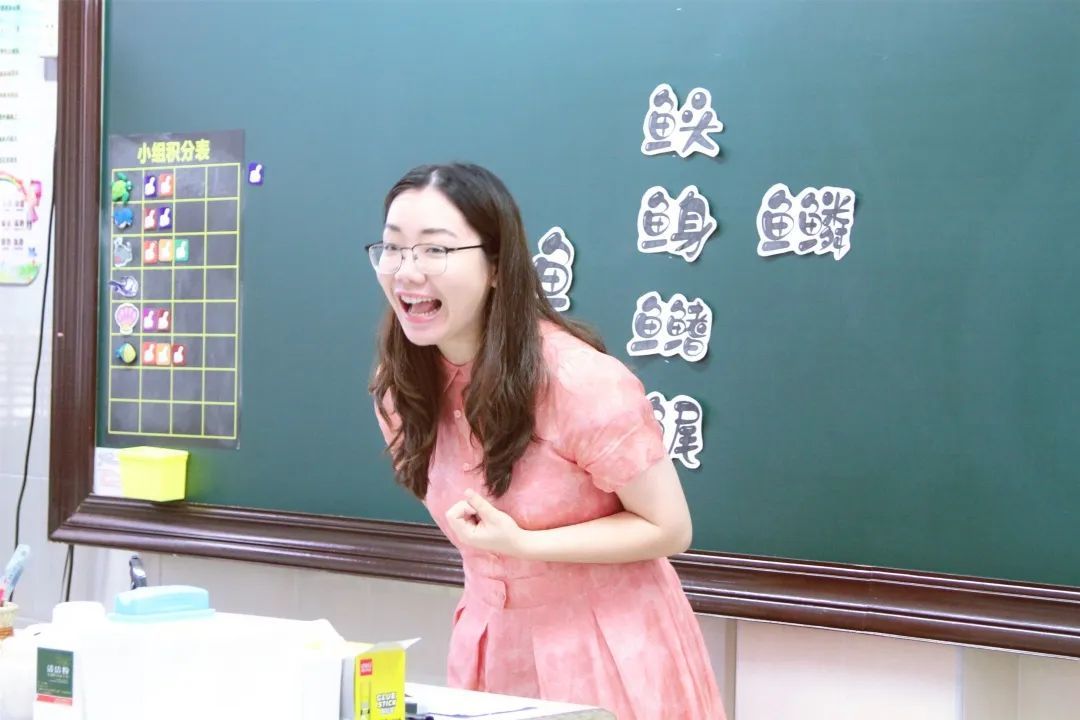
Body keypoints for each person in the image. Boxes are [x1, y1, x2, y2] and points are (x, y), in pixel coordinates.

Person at [368, 163, 725, 719]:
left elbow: (670, 528)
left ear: (495, 265)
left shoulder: (580, 381)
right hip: (490, 647)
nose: (407, 272)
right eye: (393, 248)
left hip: (609, 650)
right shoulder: (401, 392)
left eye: (435, 250)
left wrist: (526, 546)